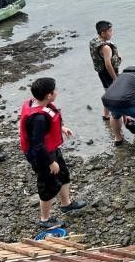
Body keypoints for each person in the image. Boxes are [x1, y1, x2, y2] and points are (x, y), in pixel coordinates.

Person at [19, 77, 86, 228]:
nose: (56, 92)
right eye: (54, 90)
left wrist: (61, 127)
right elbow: (37, 144)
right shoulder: (39, 119)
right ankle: (45, 219)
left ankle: (66, 204)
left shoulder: (36, 103)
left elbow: (49, 119)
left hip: (50, 149)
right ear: (49, 95)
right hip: (42, 155)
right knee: (47, 185)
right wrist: (50, 161)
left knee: (63, 174)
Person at [89, 20, 122, 120]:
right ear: (103, 33)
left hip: (101, 72)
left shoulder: (94, 41)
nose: (112, 33)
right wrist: (115, 78)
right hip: (108, 73)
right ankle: (116, 115)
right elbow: (108, 65)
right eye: (110, 31)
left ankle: (106, 114)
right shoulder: (106, 48)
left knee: (108, 92)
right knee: (112, 94)